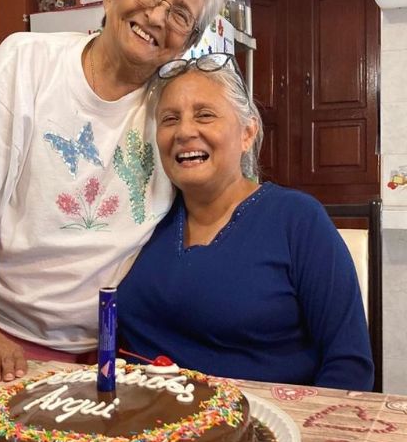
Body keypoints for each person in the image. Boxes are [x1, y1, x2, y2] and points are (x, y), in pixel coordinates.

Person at [0, 0, 230, 382]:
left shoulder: (171, 109)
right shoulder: (26, 61)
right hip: (7, 335)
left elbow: (209, 200)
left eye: (180, 14)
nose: (156, 16)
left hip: (119, 343)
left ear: (186, 43)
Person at [117, 54, 374, 390]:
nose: (184, 131)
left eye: (204, 115)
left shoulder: (298, 220)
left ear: (247, 133)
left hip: (265, 420)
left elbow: (349, 364)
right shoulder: (144, 220)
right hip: (142, 415)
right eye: (169, 119)